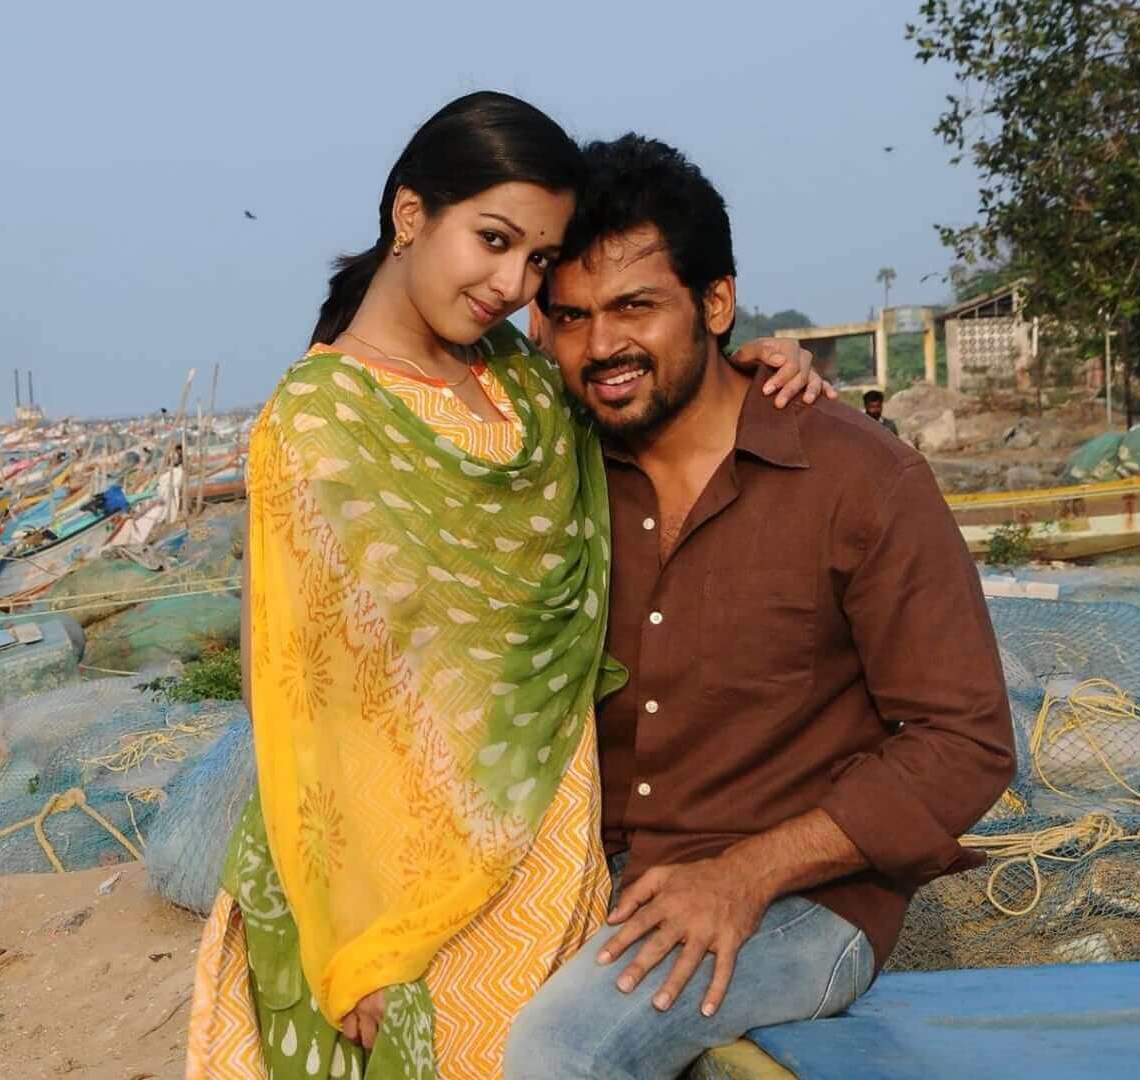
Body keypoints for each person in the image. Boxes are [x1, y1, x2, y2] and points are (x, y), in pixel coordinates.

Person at [185, 92, 831, 1079]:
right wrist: (361, 938)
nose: (511, 282)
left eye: (537, 259)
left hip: (554, 837)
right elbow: (303, 705)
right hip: (408, 878)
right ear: (410, 215)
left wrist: (753, 368)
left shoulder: (524, 379)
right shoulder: (319, 423)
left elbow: (649, 405)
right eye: (493, 240)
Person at [508, 135, 1014, 1079]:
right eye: (571, 316)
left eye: (635, 306)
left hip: (802, 902)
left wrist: (746, 874)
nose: (601, 346)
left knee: (558, 1053)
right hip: (591, 879)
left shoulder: (860, 480)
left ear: (715, 304)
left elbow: (967, 742)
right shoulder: (558, 470)